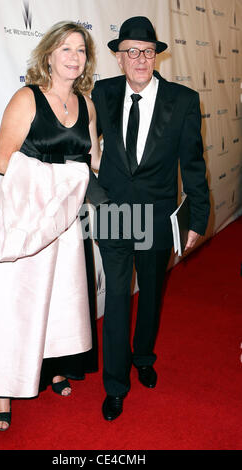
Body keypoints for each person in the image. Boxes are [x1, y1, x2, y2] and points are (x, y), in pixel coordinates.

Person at [0, 21, 102, 431]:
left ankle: (53, 368)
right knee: (15, 304)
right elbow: (3, 161)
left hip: (66, 222)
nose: (73, 57)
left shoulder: (87, 104)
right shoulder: (26, 99)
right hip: (28, 219)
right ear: (48, 54)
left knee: (62, 300)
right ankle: (2, 390)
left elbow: (93, 162)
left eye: (80, 50)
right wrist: (62, 178)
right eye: (65, 49)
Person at [91, 16, 210, 420]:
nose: (139, 59)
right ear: (119, 58)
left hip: (158, 214)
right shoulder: (102, 93)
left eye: (146, 51)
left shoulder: (183, 100)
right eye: (131, 52)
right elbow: (81, 144)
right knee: (118, 298)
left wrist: (197, 216)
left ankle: (143, 355)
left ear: (155, 55)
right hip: (112, 211)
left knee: (153, 294)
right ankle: (115, 384)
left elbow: (193, 165)